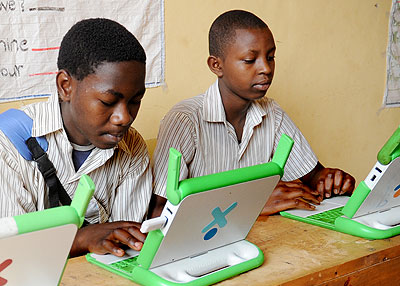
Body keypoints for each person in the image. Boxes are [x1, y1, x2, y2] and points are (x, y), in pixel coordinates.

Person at [150, 10, 355, 218]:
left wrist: (329, 179)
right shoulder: (185, 120)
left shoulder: (272, 114)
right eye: (250, 60)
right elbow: (158, 213)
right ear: (216, 65)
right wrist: (251, 204)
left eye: (271, 57)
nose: (266, 68)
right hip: (206, 246)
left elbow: (312, 176)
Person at [0, 18, 152, 257]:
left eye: (135, 101)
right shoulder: (8, 143)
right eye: (108, 102)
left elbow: (124, 241)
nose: (124, 117)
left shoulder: (132, 147)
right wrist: (81, 239)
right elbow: (9, 252)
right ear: (65, 86)